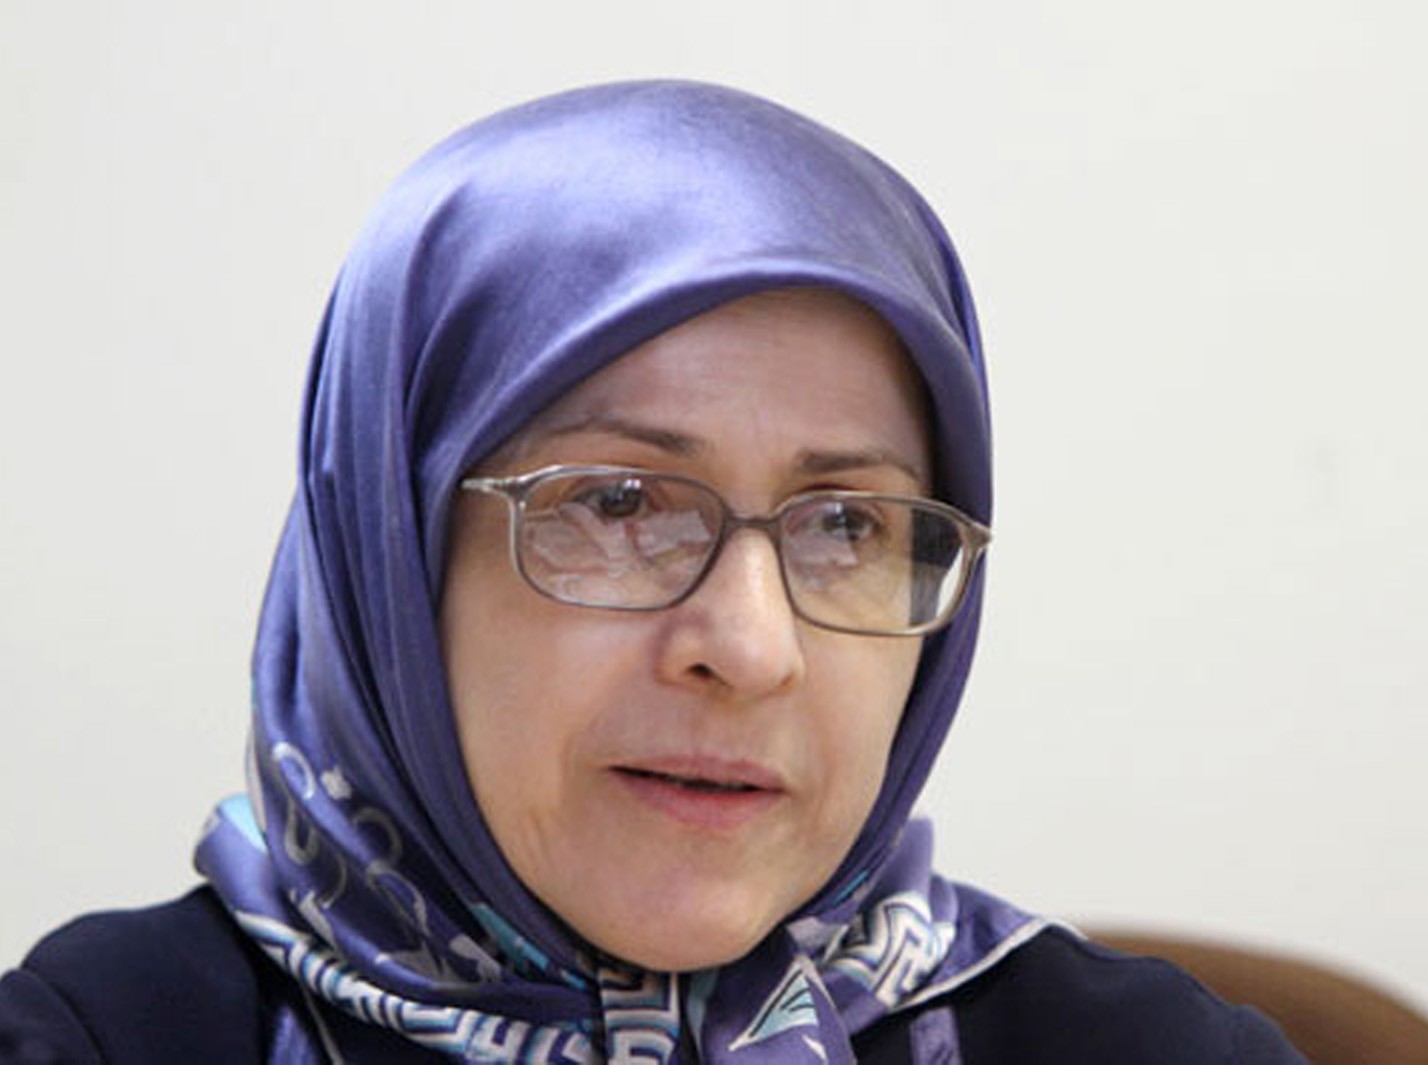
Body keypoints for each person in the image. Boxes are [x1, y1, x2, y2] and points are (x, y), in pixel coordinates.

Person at [0, 81, 1305, 1063]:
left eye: (847, 525)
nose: (750, 646)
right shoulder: (99, 1037)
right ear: (388, 569)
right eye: (619, 505)